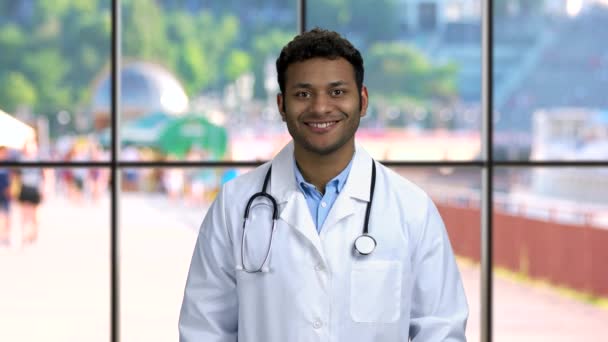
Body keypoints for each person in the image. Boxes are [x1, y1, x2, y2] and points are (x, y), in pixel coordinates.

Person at [179, 28, 468, 341]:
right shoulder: (234, 205)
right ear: (281, 105)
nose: (320, 107)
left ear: (363, 100)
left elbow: (441, 331)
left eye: (337, 92)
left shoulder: (411, 209)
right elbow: (204, 330)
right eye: (303, 94)